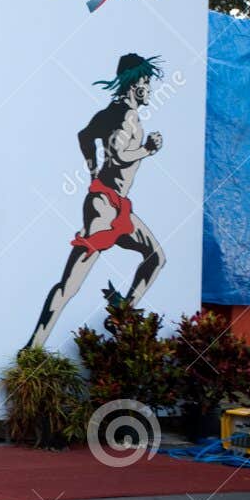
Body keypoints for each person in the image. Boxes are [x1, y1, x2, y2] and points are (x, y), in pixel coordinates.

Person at [27, 53, 167, 348]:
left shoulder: (110, 112)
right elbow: (118, 153)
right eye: (147, 83)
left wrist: (92, 168)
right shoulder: (125, 116)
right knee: (71, 284)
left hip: (115, 203)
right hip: (104, 206)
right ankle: (33, 346)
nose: (151, 89)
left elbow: (84, 135)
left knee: (155, 257)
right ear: (135, 84)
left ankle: (122, 315)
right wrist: (147, 149)